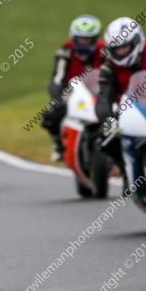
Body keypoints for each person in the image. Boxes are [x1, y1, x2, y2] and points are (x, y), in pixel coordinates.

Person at [41, 15, 105, 161]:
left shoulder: (104, 51)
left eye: (87, 39)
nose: (83, 43)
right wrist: (58, 97)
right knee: (50, 116)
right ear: (73, 38)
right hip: (71, 93)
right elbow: (56, 79)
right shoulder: (65, 52)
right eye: (80, 39)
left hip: (99, 92)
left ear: (95, 39)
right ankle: (58, 143)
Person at [95, 17, 145, 173]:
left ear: (136, 42)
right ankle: (125, 169)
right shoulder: (109, 67)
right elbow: (104, 97)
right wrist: (107, 119)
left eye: (125, 47)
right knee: (105, 138)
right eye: (117, 49)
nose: (121, 52)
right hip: (126, 113)